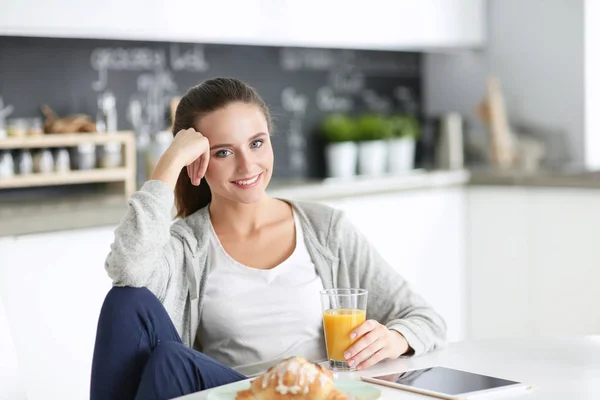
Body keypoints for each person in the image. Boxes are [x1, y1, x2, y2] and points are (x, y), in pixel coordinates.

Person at [90, 77, 447, 400]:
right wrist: (169, 164)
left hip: (310, 393)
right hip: (236, 393)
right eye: (224, 152)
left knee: (167, 361)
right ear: (197, 161)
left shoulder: (325, 230)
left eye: (257, 143)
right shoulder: (187, 245)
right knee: (127, 305)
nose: (247, 166)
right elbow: (128, 270)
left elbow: (425, 318)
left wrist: (395, 338)